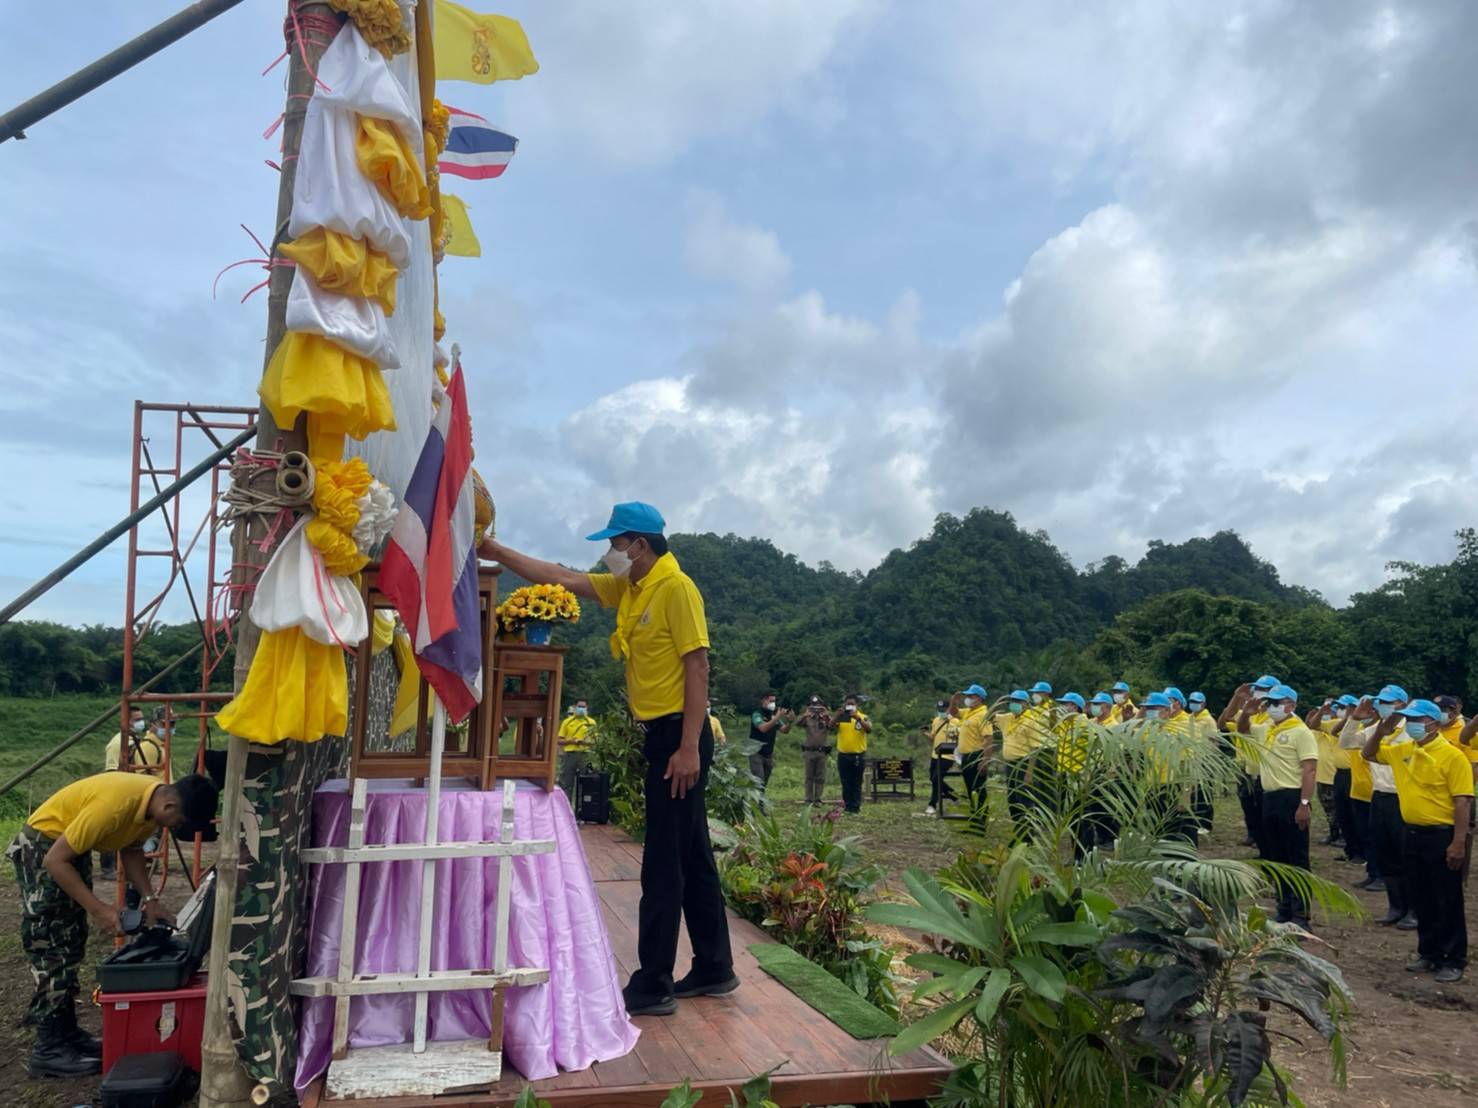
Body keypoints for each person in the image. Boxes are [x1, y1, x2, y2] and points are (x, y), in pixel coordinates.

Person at [479, 502, 735, 1015]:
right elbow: (561, 577)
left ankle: (653, 983)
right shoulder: (631, 587)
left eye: (616, 544)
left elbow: (698, 666)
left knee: (663, 862)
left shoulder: (675, 588)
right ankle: (714, 966)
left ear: (639, 544)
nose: (610, 553)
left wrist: (689, 747)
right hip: (661, 736)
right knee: (692, 856)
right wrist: (493, 550)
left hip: (679, 738)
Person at [8, 771, 217, 1077]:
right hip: (43, 848)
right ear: (170, 806)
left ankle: (67, 1034)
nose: (175, 828)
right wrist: (99, 910)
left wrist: (150, 900)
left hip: (67, 850)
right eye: (180, 823)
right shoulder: (116, 806)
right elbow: (54, 861)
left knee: (71, 939)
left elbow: (130, 849)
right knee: (53, 942)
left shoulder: (150, 807)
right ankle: (48, 1048)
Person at [1363, 699, 1472, 983]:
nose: (1411, 725)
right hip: (1412, 833)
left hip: (1442, 835)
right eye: (1408, 720)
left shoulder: (1452, 756)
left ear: (1433, 723)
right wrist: (1381, 731)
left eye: (1417, 720)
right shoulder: (1404, 750)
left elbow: (1462, 801)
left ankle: (1453, 958)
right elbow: (1369, 753)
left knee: (1447, 897)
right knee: (1421, 895)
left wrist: (1458, 842)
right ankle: (1429, 952)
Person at [1238, 684, 1318, 927]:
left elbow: (1309, 770)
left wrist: (1304, 803)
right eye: (1269, 703)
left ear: (1291, 705)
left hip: (1291, 797)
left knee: (1297, 857)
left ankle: (1301, 914)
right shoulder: (1269, 729)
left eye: (1276, 703)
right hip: (1269, 796)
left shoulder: (1301, 732)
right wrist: (1246, 713)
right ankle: (1284, 908)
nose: (1271, 707)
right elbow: (1243, 730)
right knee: (1276, 855)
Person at [1348, 686, 1416, 928]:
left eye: (1389, 702)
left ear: (1403, 704)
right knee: (1385, 853)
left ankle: (1413, 909)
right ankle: (1395, 906)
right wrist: (1354, 719)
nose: (1383, 706)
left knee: (1406, 854)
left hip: (1403, 797)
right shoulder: (1375, 730)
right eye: (1381, 702)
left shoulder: (1411, 731)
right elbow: (1347, 742)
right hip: (1379, 796)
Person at [1304, 699, 1345, 846]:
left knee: (1340, 809)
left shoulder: (1337, 730)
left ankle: (1343, 835)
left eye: (1329, 711)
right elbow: (1309, 725)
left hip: (1335, 776)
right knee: (1328, 808)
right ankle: (1333, 833)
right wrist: (1316, 713)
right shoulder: (1318, 733)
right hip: (1322, 777)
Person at [951, 685, 991, 823]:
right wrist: (953, 701)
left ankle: (981, 823)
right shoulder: (969, 712)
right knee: (970, 790)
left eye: (971, 696)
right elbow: (954, 712)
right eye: (967, 696)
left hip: (977, 755)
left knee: (978, 790)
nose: (967, 699)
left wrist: (985, 760)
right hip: (966, 756)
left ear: (979, 698)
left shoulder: (983, 715)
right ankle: (974, 821)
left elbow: (988, 738)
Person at [832, 695, 872, 814]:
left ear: (857, 705)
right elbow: (830, 726)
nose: (849, 706)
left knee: (856, 782)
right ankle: (847, 806)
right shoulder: (841, 717)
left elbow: (869, 729)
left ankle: (855, 807)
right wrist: (836, 716)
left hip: (858, 755)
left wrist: (858, 718)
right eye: (847, 704)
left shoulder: (863, 716)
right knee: (845, 782)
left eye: (852, 704)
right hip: (843, 755)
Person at [922, 699, 959, 816]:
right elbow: (933, 737)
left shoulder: (956, 722)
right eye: (939, 710)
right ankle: (954, 796)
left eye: (943, 710)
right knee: (933, 779)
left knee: (936, 779)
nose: (941, 712)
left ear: (949, 709)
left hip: (948, 756)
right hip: (935, 754)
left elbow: (960, 738)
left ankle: (932, 804)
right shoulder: (936, 721)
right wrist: (925, 733)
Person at [748, 694, 793, 789]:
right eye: (771, 701)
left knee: (764, 781)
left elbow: (784, 730)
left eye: (774, 701)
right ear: (763, 701)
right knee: (758, 779)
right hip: (756, 752)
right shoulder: (757, 714)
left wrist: (790, 721)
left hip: (768, 753)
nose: (773, 704)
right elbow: (763, 728)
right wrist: (777, 717)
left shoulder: (773, 716)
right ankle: (757, 797)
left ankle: (759, 797)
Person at [556, 698, 597, 795]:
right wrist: (571, 741)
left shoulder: (591, 722)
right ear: (575, 707)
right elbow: (559, 740)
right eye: (579, 706)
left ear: (587, 708)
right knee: (566, 783)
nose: (581, 709)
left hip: (585, 755)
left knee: (586, 782)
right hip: (570, 754)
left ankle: (583, 803)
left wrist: (585, 742)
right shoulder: (567, 722)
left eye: (583, 707)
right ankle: (565, 803)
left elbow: (595, 741)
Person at [798, 695, 832, 804]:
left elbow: (833, 726)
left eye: (818, 707)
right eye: (813, 706)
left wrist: (827, 715)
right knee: (809, 777)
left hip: (822, 751)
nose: (816, 709)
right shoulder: (807, 719)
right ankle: (808, 799)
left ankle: (817, 798)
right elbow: (797, 724)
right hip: (809, 751)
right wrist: (805, 715)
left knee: (820, 777)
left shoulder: (826, 719)